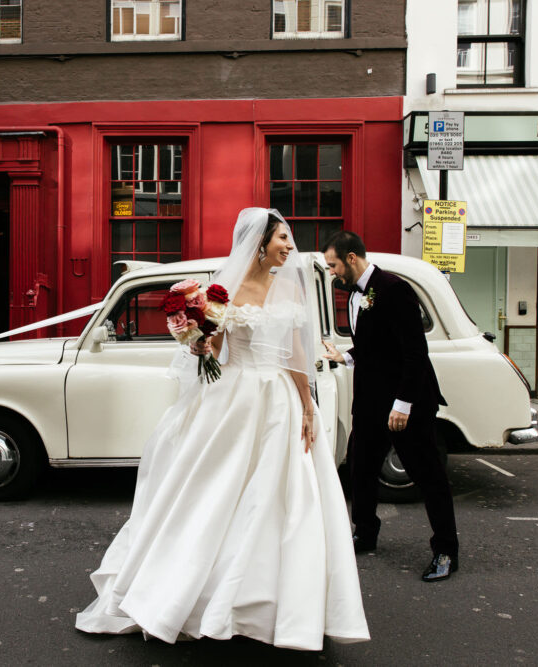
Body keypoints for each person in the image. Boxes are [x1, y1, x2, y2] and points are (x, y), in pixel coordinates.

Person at [76, 208, 369, 650]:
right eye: (283, 238)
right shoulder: (222, 289)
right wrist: (194, 338)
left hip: (277, 402)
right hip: (232, 395)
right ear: (259, 242)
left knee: (281, 497)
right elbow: (213, 350)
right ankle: (195, 593)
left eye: (289, 239)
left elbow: (294, 357)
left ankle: (272, 603)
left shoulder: (290, 287)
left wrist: (308, 406)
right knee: (213, 492)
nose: (290, 246)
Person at [321, 231, 459, 582]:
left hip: (406, 401)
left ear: (352, 258)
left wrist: (403, 404)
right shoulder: (356, 295)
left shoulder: (394, 289)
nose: (332, 272)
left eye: (334, 265)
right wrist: (346, 355)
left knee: (428, 476)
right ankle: (365, 534)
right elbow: (375, 346)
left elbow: (414, 352)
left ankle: (445, 550)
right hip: (369, 400)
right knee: (360, 469)